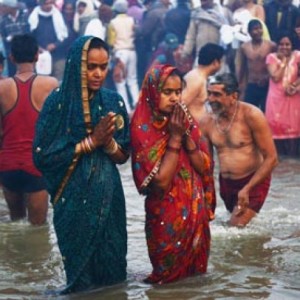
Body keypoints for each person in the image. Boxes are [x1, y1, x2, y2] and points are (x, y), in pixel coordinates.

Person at [33, 36, 130, 294]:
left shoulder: (114, 101)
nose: (98, 73)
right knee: (80, 284)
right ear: (77, 65)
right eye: (91, 67)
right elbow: (41, 157)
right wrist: (91, 141)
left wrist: (107, 143)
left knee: (114, 278)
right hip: (72, 201)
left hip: (110, 201)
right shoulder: (57, 103)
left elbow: (123, 155)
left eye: (104, 66)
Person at [131, 64, 216, 283]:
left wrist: (187, 139)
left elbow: (204, 167)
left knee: (195, 282)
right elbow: (160, 182)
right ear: (152, 92)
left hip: (195, 217)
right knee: (165, 284)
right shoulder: (143, 127)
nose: (174, 98)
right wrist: (176, 137)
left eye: (178, 92)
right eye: (167, 92)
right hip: (166, 219)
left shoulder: (185, 120)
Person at [199, 73, 278, 227]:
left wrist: (247, 188)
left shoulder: (252, 115)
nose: (211, 99)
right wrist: (204, 192)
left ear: (233, 96)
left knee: (234, 228)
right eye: (209, 94)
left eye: (217, 95)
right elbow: (206, 163)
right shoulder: (206, 121)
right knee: (230, 228)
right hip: (226, 185)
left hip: (253, 182)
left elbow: (272, 159)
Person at [0, 34, 59, 225]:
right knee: (38, 231)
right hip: (36, 165)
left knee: (16, 223)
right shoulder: (50, 84)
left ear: (12, 58)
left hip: (7, 166)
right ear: (36, 56)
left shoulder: (2, 88)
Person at [265, 31, 300, 157]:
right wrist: (284, 62)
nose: (284, 47)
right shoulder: (271, 57)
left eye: (287, 44)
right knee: (275, 129)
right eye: (281, 44)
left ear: (292, 45)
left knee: (294, 132)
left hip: (293, 98)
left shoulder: (297, 56)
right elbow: (275, 77)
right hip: (276, 99)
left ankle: (292, 165)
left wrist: (295, 86)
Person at [235, 19, 276, 111]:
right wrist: (240, 84)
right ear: (249, 32)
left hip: (266, 84)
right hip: (251, 84)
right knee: (249, 111)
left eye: (260, 29)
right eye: (255, 29)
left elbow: (276, 64)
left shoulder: (271, 45)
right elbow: (241, 67)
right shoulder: (244, 47)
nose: (258, 31)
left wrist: (267, 77)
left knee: (266, 110)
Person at [182, 43, 225, 122]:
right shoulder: (196, 79)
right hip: (191, 129)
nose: (221, 65)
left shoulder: (200, 77)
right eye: (221, 62)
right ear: (215, 62)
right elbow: (181, 105)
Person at [0, 0, 30, 76]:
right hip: (12, 55)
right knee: (13, 76)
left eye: (4, 6)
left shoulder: (25, 16)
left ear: (11, 7)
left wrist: (16, 37)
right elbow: (3, 37)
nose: (2, 8)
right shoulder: (3, 20)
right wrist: (8, 39)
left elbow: (29, 34)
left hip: (26, 53)